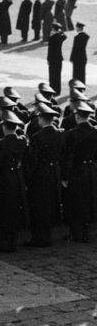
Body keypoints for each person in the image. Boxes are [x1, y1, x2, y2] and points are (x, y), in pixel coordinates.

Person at [0, 112, 28, 252]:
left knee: (2, 213)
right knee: (14, 211)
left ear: (4, 127)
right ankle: (12, 242)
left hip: (4, 180)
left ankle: (2, 244)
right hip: (17, 178)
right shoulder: (22, 141)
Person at [24, 103, 63, 247]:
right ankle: (47, 236)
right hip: (54, 172)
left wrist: (28, 178)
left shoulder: (37, 136)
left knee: (38, 207)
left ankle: (38, 238)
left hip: (40, 174)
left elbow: (32, 160)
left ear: (41, 118)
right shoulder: (59, 133)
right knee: (50, 205)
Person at [62, 102, 97, 243]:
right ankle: (86, 232)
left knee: (76, 202)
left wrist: (65, 176)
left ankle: (76, 233)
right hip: (91, 170)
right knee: (89, 200)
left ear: (77, 116)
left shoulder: (73, 134)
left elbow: (69, 157)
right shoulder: (95, 132)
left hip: (77, 171)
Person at [48, 23, 66, 96]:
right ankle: (58, 91)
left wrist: (48, 59)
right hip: (59, 58)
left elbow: (50, 50)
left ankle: (52, 89)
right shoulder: (60, 37)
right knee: (58, 75)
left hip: (52, 59)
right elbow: (65, 36)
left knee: (52, 75)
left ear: (53, 29)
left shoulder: (52, 38)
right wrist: (60, 31)